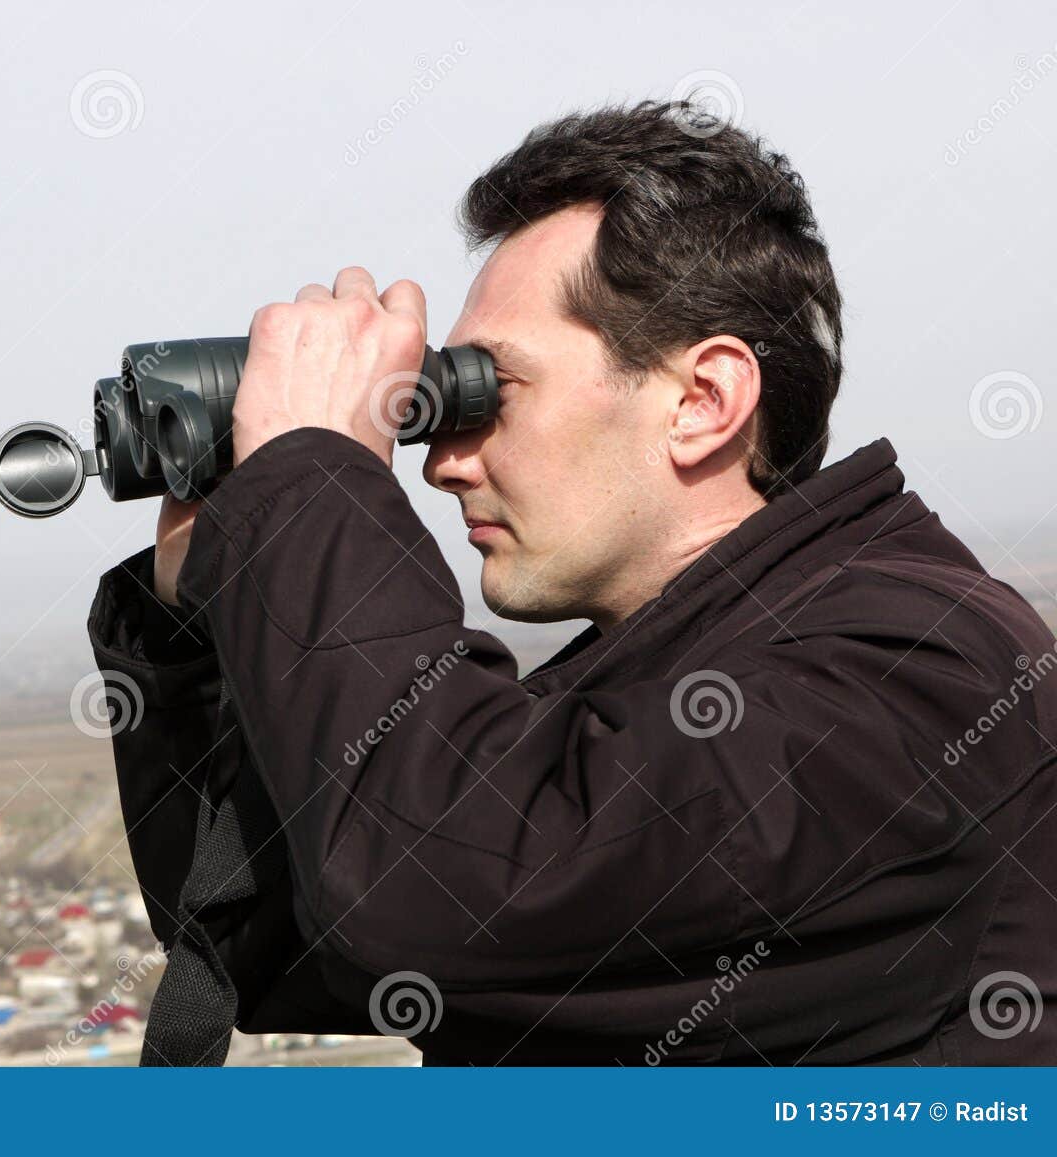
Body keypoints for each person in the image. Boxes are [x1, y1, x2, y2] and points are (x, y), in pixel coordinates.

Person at [87, 102, 1057, 1065]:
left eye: (489, 391)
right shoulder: (647, 693)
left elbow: (441, 891)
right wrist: (205, 622)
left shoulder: (921, 668)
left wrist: (311, 486)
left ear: (703, 400)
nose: (443, 463)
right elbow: (280, 940)